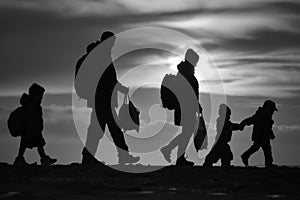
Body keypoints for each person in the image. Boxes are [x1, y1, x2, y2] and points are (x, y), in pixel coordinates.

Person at [76, 31, 140, 165]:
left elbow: (110, 79)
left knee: (107, 128)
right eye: (112, 42)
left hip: (104, 99)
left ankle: (121, 156)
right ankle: (90, 157)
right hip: (103, 99)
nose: (113, 44)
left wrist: (119, 88)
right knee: (99, 130)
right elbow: (106, 79)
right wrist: (118, 88)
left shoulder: (101, 55)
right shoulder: (101, 56)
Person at [160, 48, 202, 166]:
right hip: (185, 108)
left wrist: (197, 105)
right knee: (187, 132)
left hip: (185, 107)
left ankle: (176, 155)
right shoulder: (186, 73)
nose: (196, 63)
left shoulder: (185, 71)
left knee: (186, 132)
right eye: (195, 60)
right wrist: (196, 106)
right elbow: (188, 93)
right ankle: (172, 152)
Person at [14, 83, 57, 166]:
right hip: (31, 130)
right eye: (40, 95)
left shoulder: (31, 105)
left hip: (31, 130)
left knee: (28, 144)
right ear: (35, 95)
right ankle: (42, 159)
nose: (41, 97)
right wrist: (34, 128)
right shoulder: (31, 106)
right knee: (37, 144)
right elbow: (31, 119)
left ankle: (20, 159)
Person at [240, 100, 278, 167]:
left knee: (265, 149)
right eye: (272, 110)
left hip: (265, 136)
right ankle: (245, 156)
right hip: (260, 136)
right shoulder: (261, 115)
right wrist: (243, 124)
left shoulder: (267, 117)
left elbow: (268, 127)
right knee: (262, 148)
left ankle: (268, 163)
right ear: (267, 109)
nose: (273, 112)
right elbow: (252, 119)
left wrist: (271, 134)